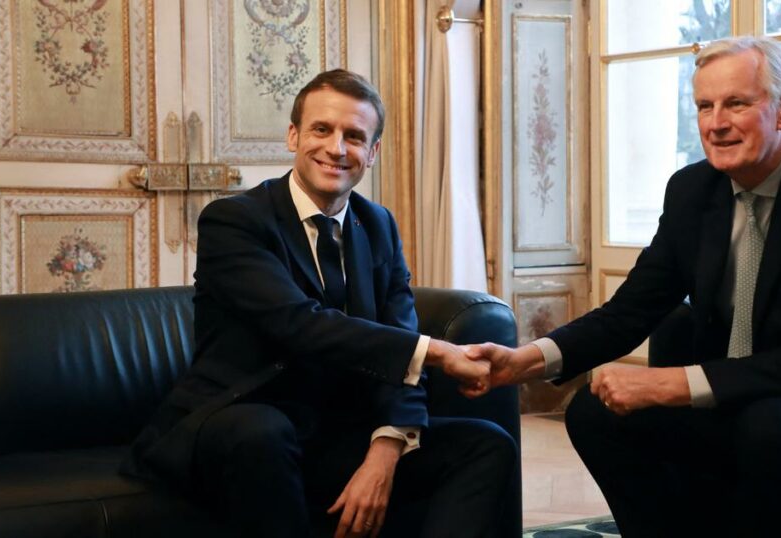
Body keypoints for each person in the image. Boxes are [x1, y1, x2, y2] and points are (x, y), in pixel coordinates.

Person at [467, 36, 781, 537]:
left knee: (767, 428)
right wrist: (526, 361)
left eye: (736, 103)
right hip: (730, 399)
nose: (715, 124)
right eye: (704, 106)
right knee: (594, 413)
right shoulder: (693, 190)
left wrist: (670, 384)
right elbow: (631, 309)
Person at [121, 69, 515, 538]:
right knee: (262, 431)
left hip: (333, 433)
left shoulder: (378, 225)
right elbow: (298, 324)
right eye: (322, 130)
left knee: (487, 444)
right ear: (294, 136)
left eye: (354, 136)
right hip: (239, 420)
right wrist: (439, 352)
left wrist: (387, 447)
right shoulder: (234, 220)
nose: (336, 148)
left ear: (372, 152)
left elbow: (400, 341)